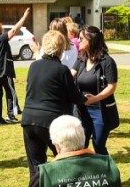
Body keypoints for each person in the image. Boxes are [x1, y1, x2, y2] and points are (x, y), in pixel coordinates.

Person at [21, 30, 86, 176]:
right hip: (52, 121)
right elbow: (75, 96)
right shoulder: (62, 70)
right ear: (61, 49)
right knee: (64, 160)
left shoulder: (34, 66)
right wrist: (87, 98)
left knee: (36, 166)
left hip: (30, 119)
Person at [72, 26, 119, 155]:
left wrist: (95, 98)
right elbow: (70, 76)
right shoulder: (81, 59)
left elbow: (111, 86)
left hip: (100, 110)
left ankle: (107, 172)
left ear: (91, 40)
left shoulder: (107, 62)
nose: (78, 40)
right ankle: (83, 172)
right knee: (81, 144)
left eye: (81, 38)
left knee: (98, 144)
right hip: (82, 110)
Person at [0, 8, 30, 126]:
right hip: (3, 71)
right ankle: (11, 114)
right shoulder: (1, 38)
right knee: (10, 92)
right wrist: (23, 18)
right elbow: (14, 30)